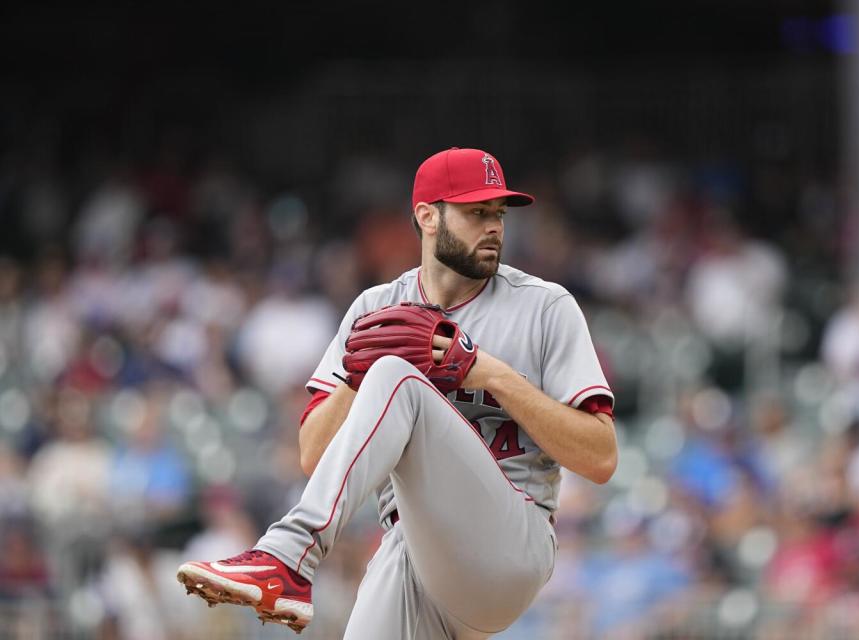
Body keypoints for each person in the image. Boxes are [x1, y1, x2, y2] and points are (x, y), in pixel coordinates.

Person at [176, 147, 618, 638]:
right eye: (476, 213)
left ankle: (288, 554)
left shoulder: (544, 307)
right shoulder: (377, 306)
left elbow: (600, 457)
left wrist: (490, 373)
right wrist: (355, 378)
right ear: (428, 217)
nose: (494, 226)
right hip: (413, 554)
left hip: (510, 544)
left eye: (498, 213)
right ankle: (288, 561)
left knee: (397, 375)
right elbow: (312, 455)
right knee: (389, 374)